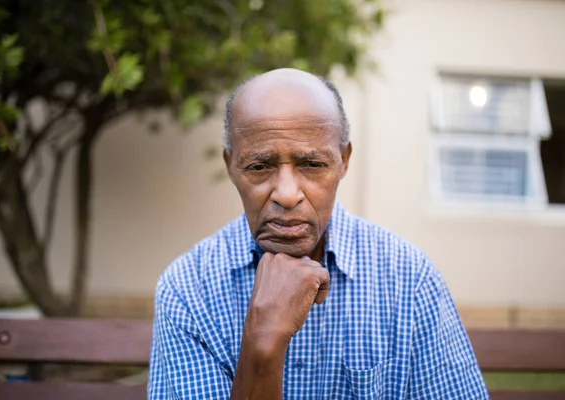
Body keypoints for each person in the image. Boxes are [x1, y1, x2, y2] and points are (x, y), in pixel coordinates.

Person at [148, 68, 488, 399]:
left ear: (343, 160)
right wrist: (261, 344)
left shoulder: (407, 278)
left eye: (312, 164)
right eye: (259, 166)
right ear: (230, 166)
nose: (286, 193)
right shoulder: (187, 290)